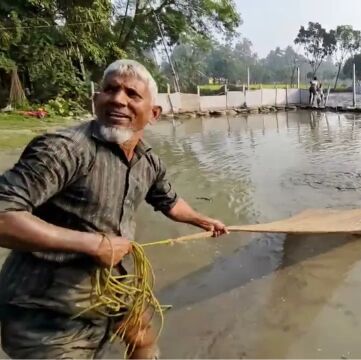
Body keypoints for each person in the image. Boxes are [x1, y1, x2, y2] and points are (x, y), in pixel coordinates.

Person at [0, 59, 228, 359]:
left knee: (143, 339)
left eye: (132, 94)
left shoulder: (147, 161)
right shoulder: (64, 149)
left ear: (154, 114)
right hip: (48, 311)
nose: (118, 99)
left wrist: (203, 220)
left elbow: (169, 202)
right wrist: (92, 243)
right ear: (96, 100)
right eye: (110, 90)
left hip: (115, 290)